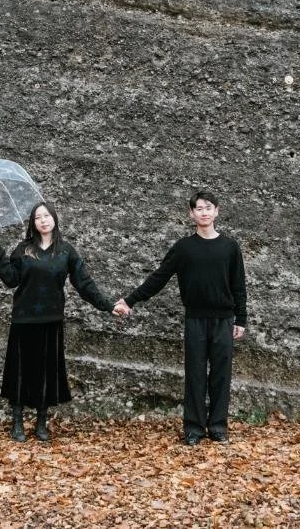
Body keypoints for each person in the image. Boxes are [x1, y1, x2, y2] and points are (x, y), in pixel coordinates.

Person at [114, 190, 247, 445]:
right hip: (195, 320)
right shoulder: (184, 248)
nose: (204, 212)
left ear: (217, 211)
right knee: (195, 375)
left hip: (224, 320)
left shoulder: (230, 247)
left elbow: (239, 286)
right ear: (191, 214)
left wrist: (240, 319)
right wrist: (130, 300)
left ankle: (218, 426)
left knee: (221, 375)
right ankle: (194, 428)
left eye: (209, 207)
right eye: (199, 208)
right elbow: (159, 277)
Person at [0, 201, 116, 442]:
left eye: (47, 215)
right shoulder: (23, 249)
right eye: (38, 217)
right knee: (21, 371)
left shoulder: (66, 251)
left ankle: (41, 421)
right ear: (33, 223)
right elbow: (12, 280)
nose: (43, 220)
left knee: (46, 371)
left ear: (54, 218)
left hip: (51, 319)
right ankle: (17, 421)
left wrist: (107, 305)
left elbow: (84, 283)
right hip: (24, 319)